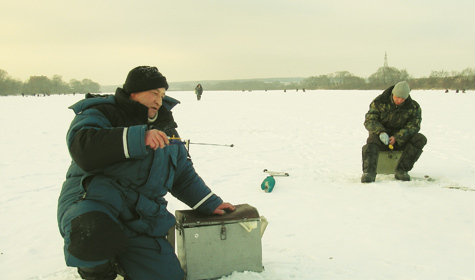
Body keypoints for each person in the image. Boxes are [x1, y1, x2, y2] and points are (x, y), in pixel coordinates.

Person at [57, 66, 235, 280]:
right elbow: (82, 148)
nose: (159, 100)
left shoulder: (166, 128)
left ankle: (124, 259)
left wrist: (209, 202)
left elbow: (182, 175)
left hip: (142, 218)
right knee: (92, 232)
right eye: (153, 93)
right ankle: (99, 272)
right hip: (95, 203)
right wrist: (138, 138)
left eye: (162, 94)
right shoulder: (102, 112)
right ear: (133, 93)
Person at [361, 81, 427, 183]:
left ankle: (402, 171)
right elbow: (370, 120)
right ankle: (369, 172)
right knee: (372, 139)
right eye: (397, 97)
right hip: (381, 139)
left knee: (420, 139)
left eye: (403, 98)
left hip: (401, 141)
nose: (400, 100)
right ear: (393, 93)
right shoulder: (379, 102)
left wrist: (398, 137)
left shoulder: (413, 107)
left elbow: (414, 125)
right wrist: (381, 132)